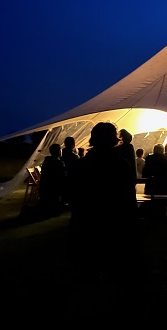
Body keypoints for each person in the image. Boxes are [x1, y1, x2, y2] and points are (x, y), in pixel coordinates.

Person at [67, 122, 145, 307]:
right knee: (113, 265)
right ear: (114, 140)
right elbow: (127, 196)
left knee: (90, 263)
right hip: (114, 222)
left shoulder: (83, 164)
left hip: (88, 220)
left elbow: (74, 194)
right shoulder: (120, 164)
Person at [142, 143, 167, 219]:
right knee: (161, 205)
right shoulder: (166, 160)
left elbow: (145, 172)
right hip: (163, 186)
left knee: (151, 204)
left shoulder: (149, 159)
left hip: (151, 185)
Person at [38, 143, 66, 217]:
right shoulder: (59, 163)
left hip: (45, 187)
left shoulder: (46, 161)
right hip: (55, 188)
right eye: (60, 150)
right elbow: (63, 177)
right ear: (59, 152)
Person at [61, 136, 80, 208]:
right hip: (71, 177)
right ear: (72, 144)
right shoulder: (74, 156)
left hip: (62, 177)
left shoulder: (61, 153)